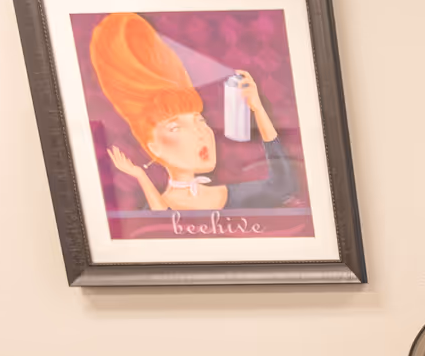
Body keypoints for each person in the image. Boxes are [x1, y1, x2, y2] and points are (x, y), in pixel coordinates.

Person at [88, 12, 297, 212]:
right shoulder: (154, 210)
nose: (200, 133)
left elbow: (283, 186)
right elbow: (161, 218)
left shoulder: (228, 195)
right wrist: (141, 176)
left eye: (200, 120)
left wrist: (257, 108)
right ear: (153, 147)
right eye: (175, 127)